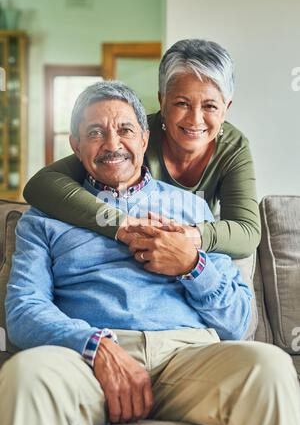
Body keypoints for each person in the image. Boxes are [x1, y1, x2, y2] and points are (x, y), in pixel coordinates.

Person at [1, 82, 299, 425]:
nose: (113, 144)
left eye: (125, 130)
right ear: (76, 146)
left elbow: (237, 321)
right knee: (26, 376)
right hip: (86, 361)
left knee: (269, 368)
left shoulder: (192, 207)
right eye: (95, 132)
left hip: (187, 356)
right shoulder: (45, 215)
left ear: (144, 139)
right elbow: (24, 309)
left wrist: (193, 265)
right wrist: (94, 345)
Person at [23, 39, 261, 260]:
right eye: (182, 104)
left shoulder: (234, 148)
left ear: (226, 108)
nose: (195, 120)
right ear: (162, 101)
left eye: (210, 106)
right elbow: (41, 185)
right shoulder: (132, 137)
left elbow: (248, 232)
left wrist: (189, 237)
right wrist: (123, 224)